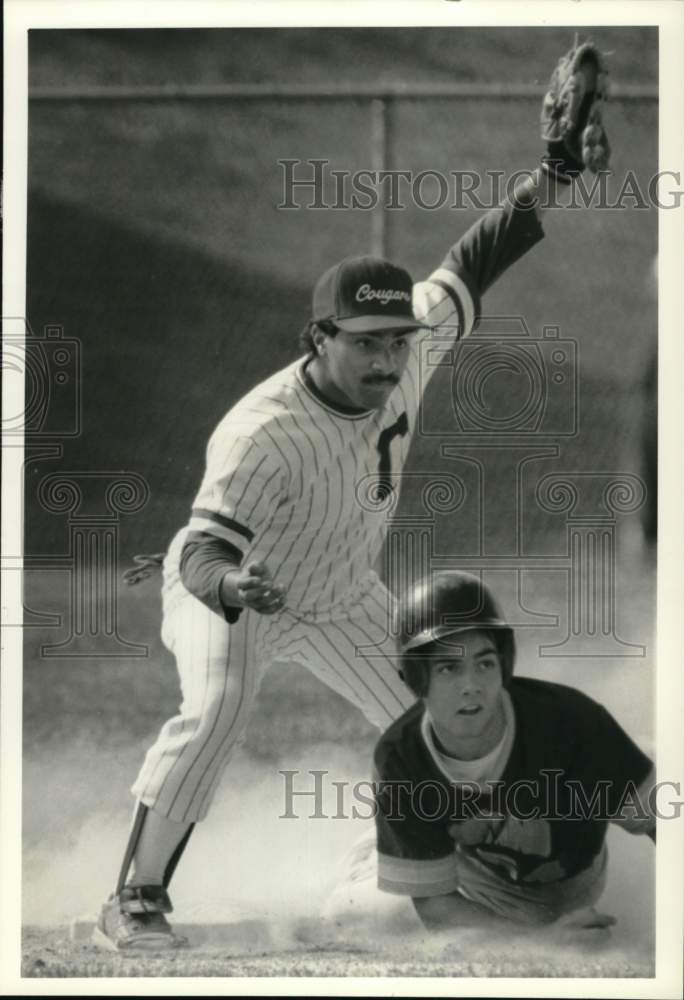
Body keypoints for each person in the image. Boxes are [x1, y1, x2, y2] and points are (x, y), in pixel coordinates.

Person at [94, 42, 612, 950]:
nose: (386, 357)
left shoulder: (412, 353)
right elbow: (199, 549)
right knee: (214, 713)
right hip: (235, 599)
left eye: (397, 340)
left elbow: (477, 256)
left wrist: (556, 171)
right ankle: (132, 897)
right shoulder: (263, 431)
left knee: (462, 713)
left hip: (339, 595)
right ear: (319, 337)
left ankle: (487, 882)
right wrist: (229, 590)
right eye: (366, 340)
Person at [369, 571, 655, 934]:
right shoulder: (401, 758)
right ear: (415, 678)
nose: (471, 686)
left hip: (576, 884)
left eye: (485, 663)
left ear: (504, 664)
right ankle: (377, 852)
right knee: (352, 916)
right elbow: (437, 908)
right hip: (476, 890)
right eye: (448, 668)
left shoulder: (570, 724)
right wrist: (543, 943)